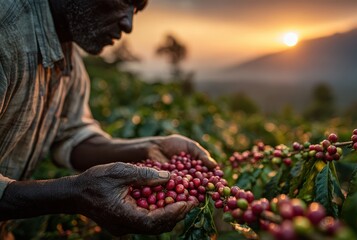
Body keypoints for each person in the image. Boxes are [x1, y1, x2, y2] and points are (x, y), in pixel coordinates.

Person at [0, 0, 217, 237]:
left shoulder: (69, 64)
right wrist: (76, 194)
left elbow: (73, 137)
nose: (128, 24)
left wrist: (150, 147)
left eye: (136, 10)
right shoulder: (6, 34)